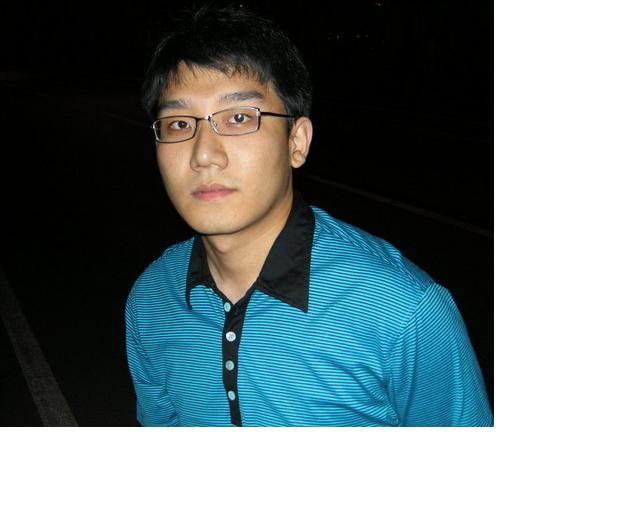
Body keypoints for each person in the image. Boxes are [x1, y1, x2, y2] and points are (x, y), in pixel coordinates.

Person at [125, 2, 493, 427]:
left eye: (239, 117)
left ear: (296, 142)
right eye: (178, 124)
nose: (204, 154)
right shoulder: (151, 300)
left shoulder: (403, 309)